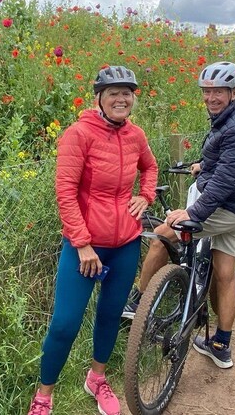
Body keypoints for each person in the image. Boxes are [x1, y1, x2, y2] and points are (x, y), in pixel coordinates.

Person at [27, 65, 158, 415]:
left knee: (110, 314)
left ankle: (96, 378)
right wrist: (82, 242)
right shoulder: (79, 134)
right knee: (65, 323)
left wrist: (146, 195)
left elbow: (151, 167)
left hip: (126, 243)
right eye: (113, 92)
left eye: (127, 92)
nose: (121, 98)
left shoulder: (136, 135)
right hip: (85, 248)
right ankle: (44, 395)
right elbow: (65, 191)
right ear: (99, 98)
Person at [124, 61, 235, 369]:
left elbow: (225, 182)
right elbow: (226, 162)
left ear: (234, 92)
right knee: (225, 274)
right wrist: (204, 166)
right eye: (207, 91)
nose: (211, 97)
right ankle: (221, 345)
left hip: (225, 208)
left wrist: (191, 213)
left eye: (219, 92)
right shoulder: (233, 116)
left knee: (162, 236)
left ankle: (137, 304)